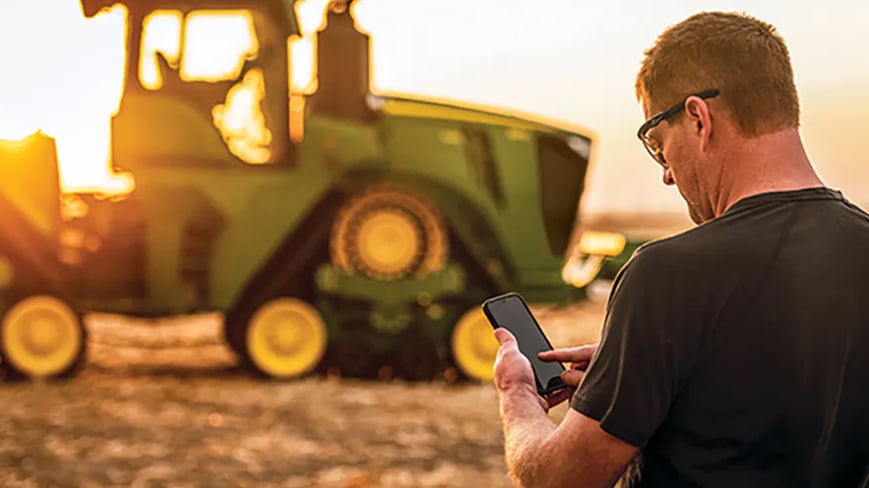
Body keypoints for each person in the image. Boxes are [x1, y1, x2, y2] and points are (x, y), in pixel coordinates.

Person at [492, 10, 869, 488]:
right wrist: (634, 386)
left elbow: (557, 479)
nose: (666, 172)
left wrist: (517, 393)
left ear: (697, 117)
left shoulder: (666, 274)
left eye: (657, 142)